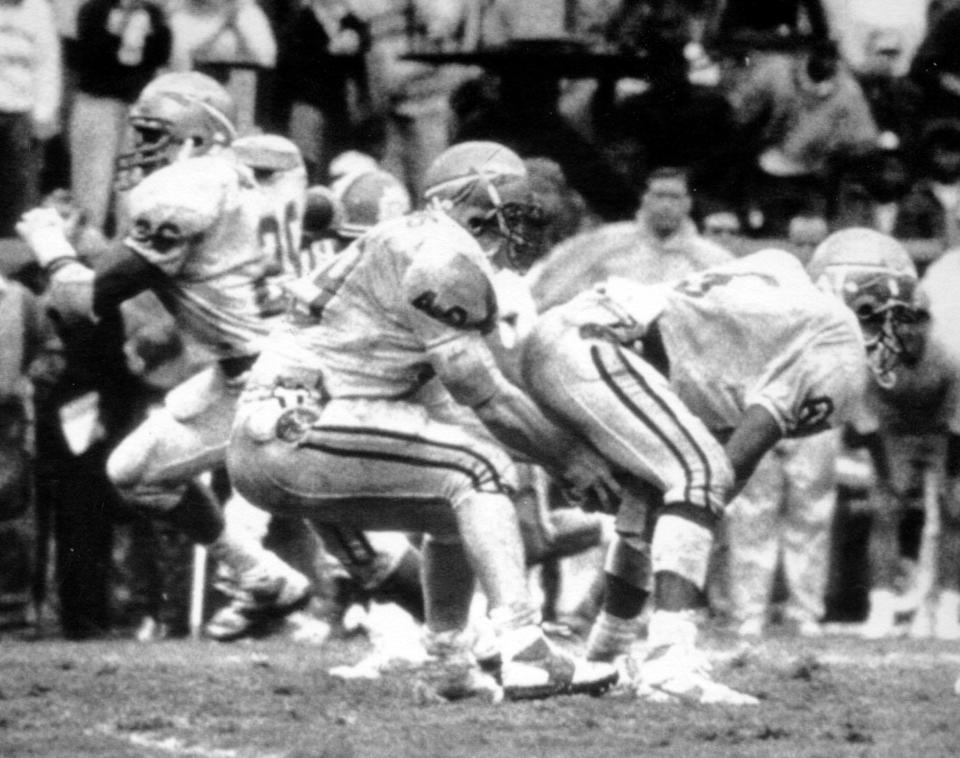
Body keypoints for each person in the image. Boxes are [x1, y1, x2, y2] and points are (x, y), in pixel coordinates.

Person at [226, 140, 620, 702]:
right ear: (467, 198)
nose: (523, 217)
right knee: (479, 469)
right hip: (300, 429)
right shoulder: (442, 256)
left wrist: (567, 454)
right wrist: (572, 458)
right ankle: (526, 651)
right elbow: (485, 395)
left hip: (297, 428)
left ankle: (449, 661)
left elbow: (461, 409)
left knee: (458, 501)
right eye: (509, 199)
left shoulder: (416, 244)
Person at [17, 71, 316, 640]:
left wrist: (51, 244)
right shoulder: (255, 174)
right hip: (256, 367)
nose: (140, 150)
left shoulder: (188, 190)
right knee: (135, 472)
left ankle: (473, 639)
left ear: (198, 138)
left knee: (366, 534)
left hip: (279, 376)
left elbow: (85, 300)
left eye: (154, 134)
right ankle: (262, 579)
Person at [519, 247, 868, 704]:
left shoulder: (772, 274)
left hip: (577, 339)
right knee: (701, 475)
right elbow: (730, 465)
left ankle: (604, 657)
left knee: (664, 492)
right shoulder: (830, 331)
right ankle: (671, 659)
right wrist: (700, 510)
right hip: (600, 348)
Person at [528, 167, 733, 312]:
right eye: (660, 196)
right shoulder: (607, 240)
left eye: (674, 198)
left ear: (688, 203)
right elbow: (555, 283)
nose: (666, 205)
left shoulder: (712, 259)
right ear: (645, 199)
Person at [69, 0, 172, 232]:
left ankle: (128, 240)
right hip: (96, 101)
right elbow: (90, 56)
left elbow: (159, 59)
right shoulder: (95, 10)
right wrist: (122, 27)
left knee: (134, 179)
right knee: (92, 178)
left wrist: (143, 30)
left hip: (139, 107)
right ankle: (86, 236)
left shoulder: (157, 18)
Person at [0, 0, 62, 238]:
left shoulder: (38, 9)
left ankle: (15, 261)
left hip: (22, 115)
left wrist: (44, 113)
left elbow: (48, 63)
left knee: (20, 194)